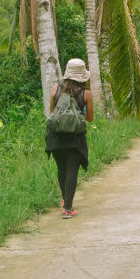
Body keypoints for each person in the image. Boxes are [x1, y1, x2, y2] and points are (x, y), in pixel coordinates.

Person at [46, 58, 94, 218]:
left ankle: (66, 201)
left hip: (56, 137)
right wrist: (77, 116)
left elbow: (52, 113)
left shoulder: (55, 89)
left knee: (62, 169)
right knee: (72, 170)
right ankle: (67, 208)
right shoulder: (86, 94)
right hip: (74, 138)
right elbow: (90, 118)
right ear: (82, 76)